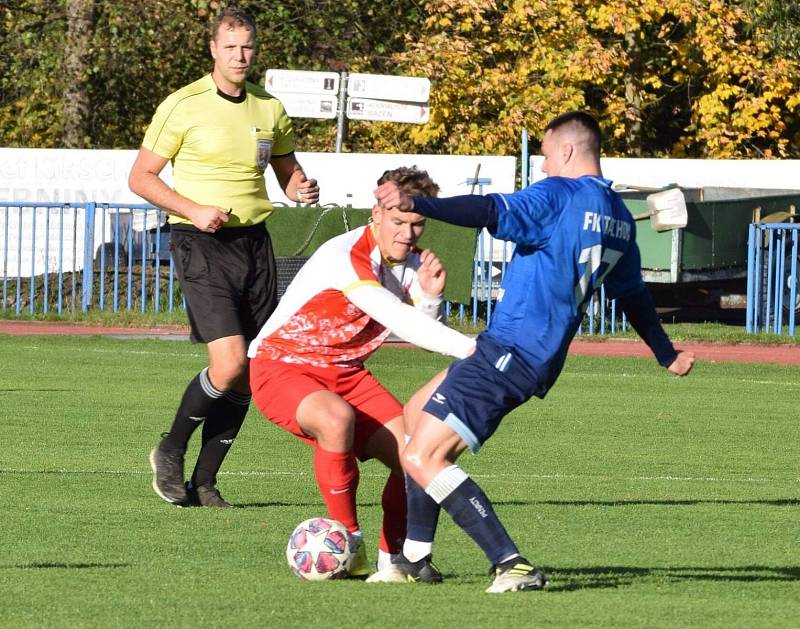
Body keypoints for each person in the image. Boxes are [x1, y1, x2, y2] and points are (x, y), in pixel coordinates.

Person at [367, 111, 696, 592]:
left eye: (543, 155)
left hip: (510, 352)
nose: (542, 167)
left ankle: (510, 563)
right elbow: (634, 298)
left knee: (422, 456)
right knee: (417, 414)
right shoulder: (621, 220)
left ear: (565, 151)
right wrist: (666, 354)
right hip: (530, 357)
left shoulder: (558, 194)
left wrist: (417, 203)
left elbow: (487, 211)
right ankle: (415, 557)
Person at [128, 6, 320, 508]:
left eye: (248, 46)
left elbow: (286, 171)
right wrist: (193, 209)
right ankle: (170, 447)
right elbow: (141, 177)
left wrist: (300, 187)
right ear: (213, 49)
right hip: (201, 244)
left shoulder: (269, 107)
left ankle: (206, 482)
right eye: (230, 46)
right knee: (231, 360)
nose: (240, 55)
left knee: (251, 366)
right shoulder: (183, 105)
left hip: (255, 244)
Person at [247, 167, 475, 576]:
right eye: (398, 222)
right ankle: (350, 545)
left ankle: (396, 560)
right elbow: (396, 319)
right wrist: (476, 351)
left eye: (417, 223)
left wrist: (432, 298)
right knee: (335, 419)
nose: (407, 233)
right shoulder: (347, 257)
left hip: (346, 374)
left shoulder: (415, 264)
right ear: (376, 214)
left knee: (415, 452)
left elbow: (420, 332)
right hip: (281, 365)